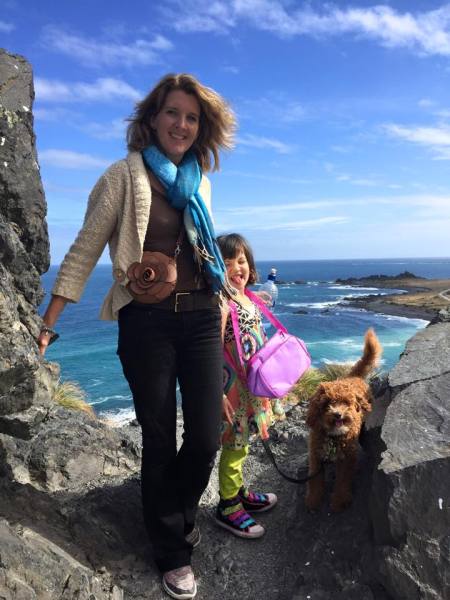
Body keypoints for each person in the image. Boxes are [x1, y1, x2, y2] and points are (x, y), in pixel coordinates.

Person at [37, 73, 236, 600]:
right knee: (158, 435)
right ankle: (172, 550)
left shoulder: (200, 182)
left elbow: (205, 257)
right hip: (147, 324)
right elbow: (83, 249)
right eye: (173, 113)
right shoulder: (122, 176)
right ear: (151, 119)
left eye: (192, 118)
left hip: (200, 319)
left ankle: (175, 512)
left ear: (201, 127)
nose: (182, 124)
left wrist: (223, 311)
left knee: (204, 436)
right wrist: (50, 320)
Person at [215, 233, 278, 539]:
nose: (236, 268)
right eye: (227, 263)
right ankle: (227, 506)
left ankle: (238, 492)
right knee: (234, 445)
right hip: (233, 391)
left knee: (244, 442)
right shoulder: (222, 303)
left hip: (252, 388)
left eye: (241, 261)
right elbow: (211, 349)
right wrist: (215, 391)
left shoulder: (248, 297)